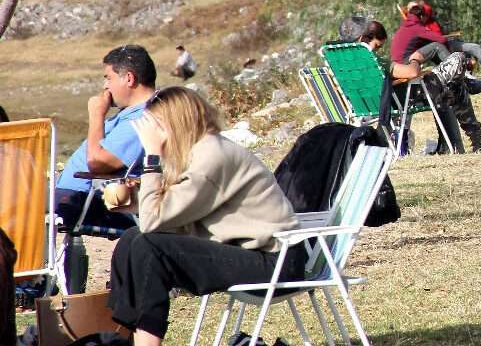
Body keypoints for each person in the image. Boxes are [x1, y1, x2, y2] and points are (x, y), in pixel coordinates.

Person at [107, 87, 303, 346]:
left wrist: (151, 158)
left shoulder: (212, 156)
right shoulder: (204, 150)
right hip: (253, 254)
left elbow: (155, 221)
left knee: (148, 246)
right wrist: (136, 204)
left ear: (173, 124)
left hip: (275, 264)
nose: (151, 137)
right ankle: (121, 333)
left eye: (156, 128)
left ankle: (145, 342)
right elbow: (171, 213)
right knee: (132, 238)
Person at [54, 45, 157, 293]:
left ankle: (26, 287)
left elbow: (98, 163)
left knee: (19, 205)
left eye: (109, 78)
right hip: (82, 194)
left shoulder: (142, 117)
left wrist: (96, 115)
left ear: (129, 78)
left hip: (94, 198)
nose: (106, 87)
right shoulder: (130, 114)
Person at [364, 21, 481, 153]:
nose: (377, 50)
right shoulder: (374, 60)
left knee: (452, 86)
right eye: (377, 46)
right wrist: (416, 59)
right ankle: (479, 139)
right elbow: (412, 72)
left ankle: (475, 140)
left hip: (389, 100)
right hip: (409, 95)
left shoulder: (347, 67)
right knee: (458, 58)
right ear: (366, 38)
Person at [391, 2, 481, 78]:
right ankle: (462, 73)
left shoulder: (409, 24)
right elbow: (439, 40)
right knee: (439, 46)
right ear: (422, 16)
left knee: (473, 47)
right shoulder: (416, 26)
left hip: (427, 49)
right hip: (409, 62)